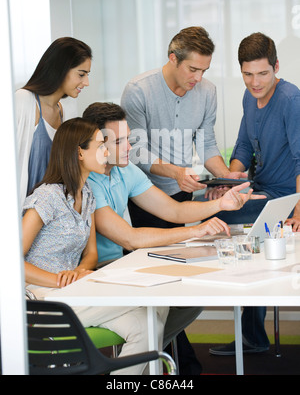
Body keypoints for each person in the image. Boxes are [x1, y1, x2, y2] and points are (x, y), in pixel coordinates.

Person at [82, 102, 262, 373]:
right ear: (97, 144)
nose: (130, 147)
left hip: (121, 267)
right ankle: (145, 361)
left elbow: (173, 209)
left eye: (128, 139)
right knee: (157, 307)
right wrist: (196, 230)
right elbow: (129, 238)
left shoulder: (124, 169)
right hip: (98, 272)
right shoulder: (87, 181)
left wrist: (221, 204)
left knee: (194, 295)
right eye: (119, 141)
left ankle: (143, 358)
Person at [23, 117, 170, 376]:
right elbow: (9, 262)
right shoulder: (47, 196)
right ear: (80, 152)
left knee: (149, 328)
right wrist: (60, 281)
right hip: (41, 300)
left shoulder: (87, 193)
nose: (107, 152)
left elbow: (90, 255)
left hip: (73, 292)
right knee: (151, 301)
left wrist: (80, 272)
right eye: (102, 145)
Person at [208, 32, 300, 357]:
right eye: (248, 74)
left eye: (263, 73)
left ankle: (251, 335)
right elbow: (245, 145)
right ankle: (252, 335)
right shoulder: (250, 98)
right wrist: (234, 176)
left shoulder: (291, 100)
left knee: (218, 215)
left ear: (276, 66)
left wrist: (299, 210)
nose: (255, 82)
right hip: (259, 191)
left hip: (285, 198)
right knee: (216, 207)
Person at [120, 26, 246, 230]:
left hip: (182, 190)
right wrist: (176, 172)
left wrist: (225, 177)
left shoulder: (207, 92)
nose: (198, 78)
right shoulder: (138, 90)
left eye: (204, 71)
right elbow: (135, 151)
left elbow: (206, 143)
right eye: (193, 69)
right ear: (173, 58)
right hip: (143, 192)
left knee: (179, 252)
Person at [16, 36, 92, 207]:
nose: (86, 82)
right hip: (24, 217)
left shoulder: (67, 109)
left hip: (54, 218)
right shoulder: (24, 101)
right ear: (61, 69)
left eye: (87, 75)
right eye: (81, 74)